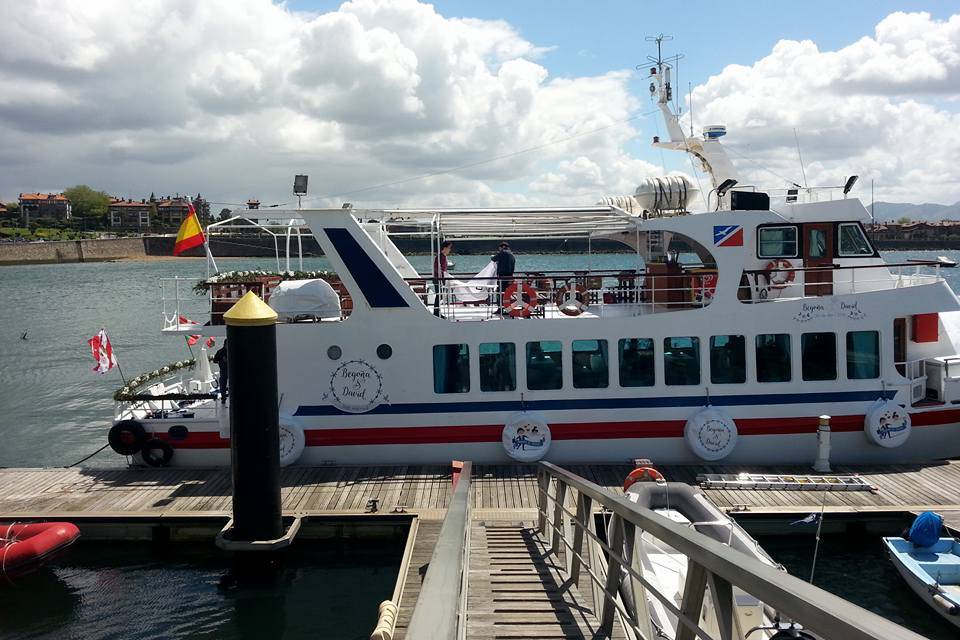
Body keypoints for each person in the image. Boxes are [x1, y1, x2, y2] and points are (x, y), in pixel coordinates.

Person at [492, 241, 515, 311]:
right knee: (507, 294)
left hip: (502, 277)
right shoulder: (511, 254)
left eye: (499, 248)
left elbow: (493, 259)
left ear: (502, 247)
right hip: (510, 277)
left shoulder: (503, 253)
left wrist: (493, 257)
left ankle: (500, 309)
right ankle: (507, 308)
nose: (499, 250)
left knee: (499, 292)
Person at [433, 241, 453, 316]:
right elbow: (437, 268)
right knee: (439, 296)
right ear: (444, 248)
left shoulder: (443, 257)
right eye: (449, 248)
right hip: (438, 279)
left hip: (441, 279)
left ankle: (437, 312)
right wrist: (441, 277)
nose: (450, 250)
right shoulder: (440, 257)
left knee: (440, 296)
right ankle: (436, 313)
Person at [213, 340, 229, 404]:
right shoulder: (220, 352)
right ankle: (223, 398)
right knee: (223, 384)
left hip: (231, 370)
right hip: (224, 370)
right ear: (225, 344)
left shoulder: (232, 350)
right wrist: (221, 361)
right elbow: (215, 360)